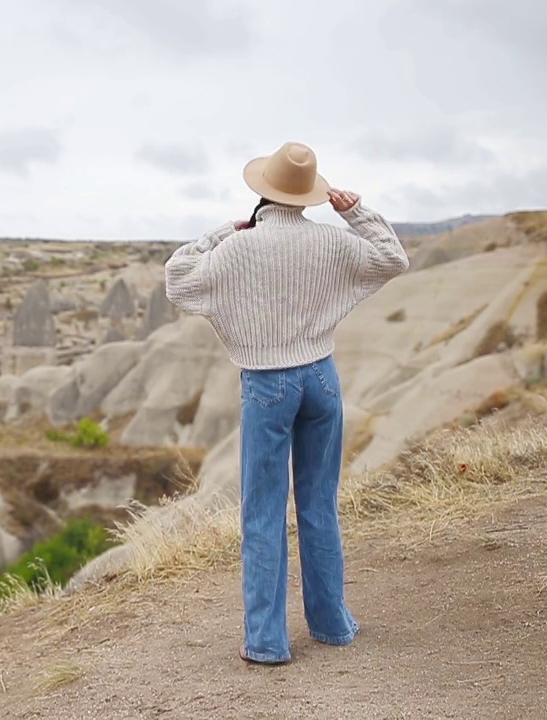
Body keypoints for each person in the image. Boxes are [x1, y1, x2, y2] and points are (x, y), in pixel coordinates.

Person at [163, 141, 409, 665]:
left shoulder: (237, 249)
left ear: (262, 192)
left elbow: (178, 276)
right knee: (319, 505)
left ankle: (268, 642)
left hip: (267, 386)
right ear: (311, 195)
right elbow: (393, 258)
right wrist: (357, 213)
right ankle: (333, 624)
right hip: (322, 380)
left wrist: (222, 232)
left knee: (264, 514)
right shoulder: (331, 242)